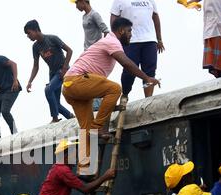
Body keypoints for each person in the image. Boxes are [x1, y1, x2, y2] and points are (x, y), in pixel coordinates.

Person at [62, 18, 159, 175]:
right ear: (121, 31)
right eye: (129, 31)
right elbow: (126, 63)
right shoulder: (112, 41)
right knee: (114, 89)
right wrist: (147, 78)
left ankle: (85, 169)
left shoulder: (106, 42)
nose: (130, 35)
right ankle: (98, 127)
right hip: (77, 81)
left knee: (85, 129)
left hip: (70, 86)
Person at [110, 0, 164, 100]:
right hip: (130, 40)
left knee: (150, 71)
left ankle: (148, 99)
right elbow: (114, 18)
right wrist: (116, 38)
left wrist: (159, 38)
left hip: (149, 39)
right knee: (129, 70)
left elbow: (155, 17)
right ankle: (125, 94)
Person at [24, 20, 75, 124]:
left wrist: (65, 69)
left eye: (29, 33)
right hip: (52, 73)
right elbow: (35, 65)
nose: (28, 36)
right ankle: (70, 117)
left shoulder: (52, 38)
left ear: (36, 30)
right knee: (55, 103)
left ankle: (55, 118)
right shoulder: (35, 47)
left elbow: (69, 50)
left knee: (48, 90)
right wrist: (30, 81)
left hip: (62, 70)